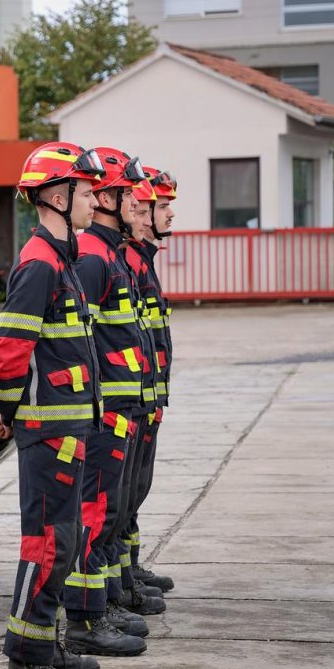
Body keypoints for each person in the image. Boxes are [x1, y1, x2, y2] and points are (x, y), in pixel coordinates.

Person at [0, 142, 105, 669]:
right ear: (59, 197)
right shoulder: (39, 262)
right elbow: (10, 348)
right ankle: (26, 659)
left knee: (66, 536)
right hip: (48, 430)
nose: (95, 201)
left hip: (68, 428)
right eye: (86, 192)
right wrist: (5, 413)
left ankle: (45, 642)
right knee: (47, 541)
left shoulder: (62, 259)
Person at [57, 146, 155, 658]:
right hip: (105, 409)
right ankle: (87, 619)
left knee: (111, 508)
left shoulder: (109, 252)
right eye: (130, 200)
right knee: (94, 512)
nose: (141, 210)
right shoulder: (94, 256)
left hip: (123, 404)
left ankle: (105, 602)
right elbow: (84, 341)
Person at [123, 169, 179, 594]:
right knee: (119, 496)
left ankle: (129, 569)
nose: (164, 215)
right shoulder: (123, 261)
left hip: (144, 397)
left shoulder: (142, 261)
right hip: (125, 401)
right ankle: (118, 581)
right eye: (154, 208)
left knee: (134, 491)